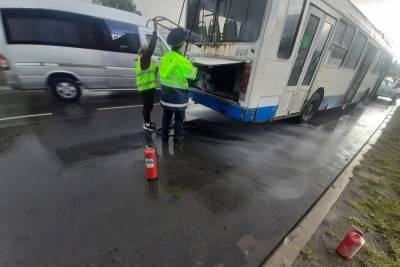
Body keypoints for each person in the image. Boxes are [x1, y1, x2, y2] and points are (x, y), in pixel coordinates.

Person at [159, 28, 197, 146]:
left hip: (165, 96)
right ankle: (177, 141)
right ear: (182, 44)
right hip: (178, 98)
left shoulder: (165, 57)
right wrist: (192, 65)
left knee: (166, 118)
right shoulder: (183, 61)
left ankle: (164, 139)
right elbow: (193, 76)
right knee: (179, 120)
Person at [136, 29, 158, 131]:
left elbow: (152, 71)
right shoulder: (144, 58)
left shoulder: (145, 59)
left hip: (148, 87)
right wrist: (155, 34)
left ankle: (147, 122)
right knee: (147, 107)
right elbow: (151, 47)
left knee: (149, 107)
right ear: (145, 52)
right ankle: (147, 124)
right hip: (146, 88)